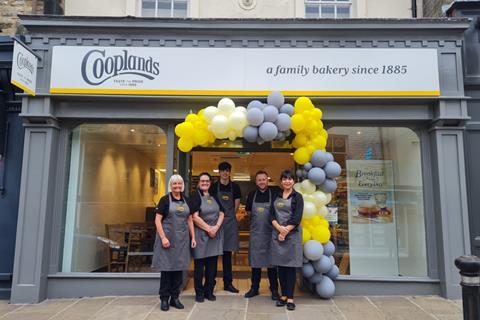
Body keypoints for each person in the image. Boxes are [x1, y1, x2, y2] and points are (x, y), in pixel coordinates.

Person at [152, 174, 196, 312]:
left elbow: (190, 220)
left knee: (178, 270)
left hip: (182, 241)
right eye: (174, 184)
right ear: (170, 185)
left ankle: (175, 298)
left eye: (179, 184)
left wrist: (193, 237)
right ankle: (164, 298)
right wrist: (163, 237)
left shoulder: (186, 200)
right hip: (167, 240)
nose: (177, 186)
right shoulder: (164, 200)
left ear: (182, 185)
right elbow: (157, 220)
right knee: (166, 270)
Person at [270, 169, 304, 311]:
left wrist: (285, 230)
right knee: (281, 267)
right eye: (284, 179)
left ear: (293, 181)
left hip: (292, 235)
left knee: (290, 267)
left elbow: (297, 217)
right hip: (278, 234)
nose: (287, 181)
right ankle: (283, 295)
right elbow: (271, 215)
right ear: (281, 181)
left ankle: (290, 297)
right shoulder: (276, 195)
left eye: (290, 179)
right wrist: (279, 228)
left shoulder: (298, 197)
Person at [244, 170, 280, 300]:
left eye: (264, 179)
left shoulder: (275, 194)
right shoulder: (252, 195)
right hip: (256, 235)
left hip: (271, 234)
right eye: (259, 180)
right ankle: (254, 288)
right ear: (256, 181)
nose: (262, 182)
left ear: (267, 180)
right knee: (256, 263)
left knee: (272, 264)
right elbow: (248, 212)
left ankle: (274, 289)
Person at [190, 172, 225, 302]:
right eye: (202, 181)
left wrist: (216, 227)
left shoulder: (214, 196)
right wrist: (209, 228)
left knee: (212, 267)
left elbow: (222, 213)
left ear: (210, 183)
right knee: (199, 267)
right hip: (201, 236)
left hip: (214, 235)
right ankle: (199, 293)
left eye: (207, 181)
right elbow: (194, 217)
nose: (205, 183)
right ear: (199, 183)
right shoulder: (195, 197)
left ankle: (209, 291)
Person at [210, 162, 241, 293]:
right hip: (215, 222)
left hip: (229, 224)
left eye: (227, 170)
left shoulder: (235, 187)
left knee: (227, 255)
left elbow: (236, 206)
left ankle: (228, 283)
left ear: (230, 172)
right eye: (223, 170)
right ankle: (210, 283)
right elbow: (210, 204)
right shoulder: (213, 187)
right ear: (219, 172)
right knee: (212, 254)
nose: (225, 173)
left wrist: (228, 217)